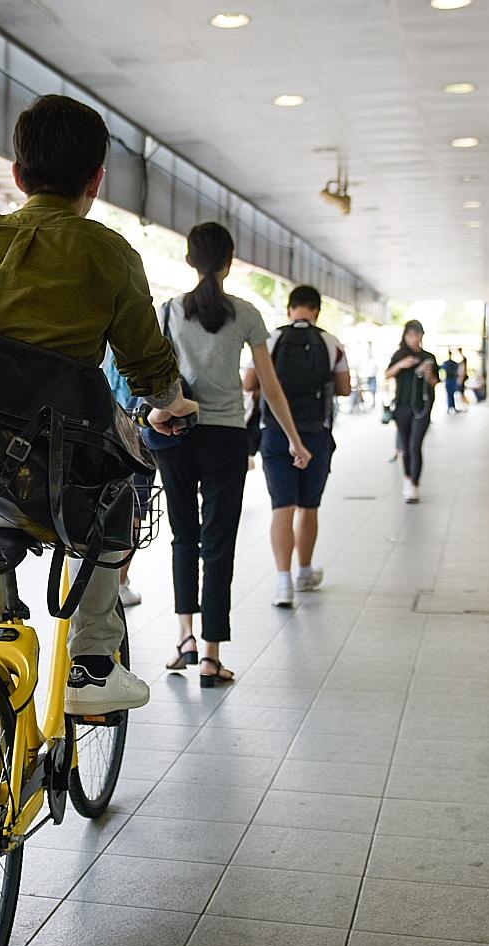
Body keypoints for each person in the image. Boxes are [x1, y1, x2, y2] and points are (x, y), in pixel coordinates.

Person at [0, 94, 198, 717]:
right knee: (118, 492)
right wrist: (171, 404)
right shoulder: (108, 252)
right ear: (97, 179)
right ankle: (93, 660)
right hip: (53, 482)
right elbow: (146, 365)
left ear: (18, 174)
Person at [157, 223, 311, 685]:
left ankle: (183, 637)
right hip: (225, 439)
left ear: (190, 261)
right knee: (217, 544)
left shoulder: (167, 311)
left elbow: (152, 376)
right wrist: (295, 440)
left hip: (175, 434)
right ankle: (210, 655)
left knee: (183, 536)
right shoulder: (245, 313)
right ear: (229, 262)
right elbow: (269, 385)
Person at [245, 285, 351, 608]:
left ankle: (282, 582)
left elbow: (249, 383)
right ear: (317, 311)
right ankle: (304, 572)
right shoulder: (331, 342)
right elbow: (345, 389)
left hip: (275, 433)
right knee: (308, 506)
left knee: (282, 506)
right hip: (315, 433)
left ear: (290, 309)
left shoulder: (272, 339)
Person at [100, 354, 152, 607]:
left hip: (97, 435)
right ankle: (119, 581)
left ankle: (107, 581)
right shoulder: (134, 338)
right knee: (134, 509)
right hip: (135, 435)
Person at [385, 319, 439, 503]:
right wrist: (401, 365)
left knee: (415, 445)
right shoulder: (399, 355)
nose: (414, 338)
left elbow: (435, 382)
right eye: (410, 335)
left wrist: (428, 373)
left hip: (422, 408)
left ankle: (414, 484)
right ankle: (407, 479)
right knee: (405, 446)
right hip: (401, 406)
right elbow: (387, 375)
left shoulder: (428, 357)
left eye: (417, 334)